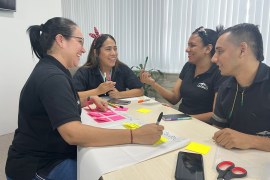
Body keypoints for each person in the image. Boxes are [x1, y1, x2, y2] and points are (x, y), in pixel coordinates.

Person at [5, 17, 164, 180]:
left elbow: (55, 105)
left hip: (47, 154)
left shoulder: (53, 69)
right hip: (38, 166)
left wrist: (87, 100)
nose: (83, 49)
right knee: (106, 170)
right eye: (80, 41)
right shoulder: (53, 77)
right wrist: (134, 135)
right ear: (61, 40)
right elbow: (73, 133)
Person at [140, 26, 226, 122]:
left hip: (200, 126)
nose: (187, 49)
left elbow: (215, 114)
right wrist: (153, 83)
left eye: (192, 45)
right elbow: (174, 98)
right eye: (188, 45)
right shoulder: (189, 66)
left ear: (208, 48)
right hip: (181, 121)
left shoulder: (220, 72)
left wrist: (181, 117)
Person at [211, 23, 270, 152]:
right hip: (230, 164)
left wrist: (251, 140)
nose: (214, 59)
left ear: (242, 50)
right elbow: (217, 132)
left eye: (220, 51)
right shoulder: (225, 88)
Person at [72, 27, 144, 99]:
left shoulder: (122, 68)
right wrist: (97, 91)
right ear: (96, 52)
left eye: (115, 49)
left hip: (119, 109)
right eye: (108, 49)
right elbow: (72, 95)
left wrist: (120, 94)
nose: (113, 53)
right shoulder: (85, 71)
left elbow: (140, 90)